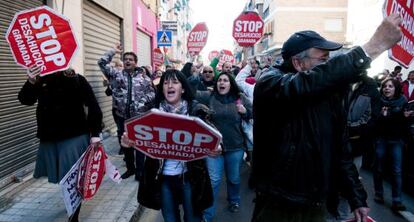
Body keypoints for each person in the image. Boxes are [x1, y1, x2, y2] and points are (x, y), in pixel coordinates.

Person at [251, 14, 402, 222]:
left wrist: (356, 197)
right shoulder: (270, 84)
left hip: (318, 202)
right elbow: (307, 84)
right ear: (297, 63)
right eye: (323, 61)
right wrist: (371, 48)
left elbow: (340, 150)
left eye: (328, 61)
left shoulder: (329, 95)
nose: (327, 65)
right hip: (279, 201)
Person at [18, 66, 103, 222]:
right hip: (49, 137)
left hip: (74, 136)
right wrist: (30, 81)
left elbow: (93, 105)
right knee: (63, 178)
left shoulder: (76, 78)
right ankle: (71, 204)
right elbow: (25, 100)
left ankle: (74, 216)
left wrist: (96, 134)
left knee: (72, 178)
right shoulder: (41, 79)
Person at [129, 69, 215, 222]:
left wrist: (217, 148)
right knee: (170, 219)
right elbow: (138, 139)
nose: (170, 85)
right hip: (163, 179)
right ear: (162, 88)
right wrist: (129, 142)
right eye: (166, 82)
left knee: (192, 218)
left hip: (190, 178)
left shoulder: (196, 111)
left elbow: (215, 137)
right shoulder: (152, 114)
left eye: (175, 82)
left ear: (182, 89)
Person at [196, 72, 252, 221]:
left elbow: (252, 113)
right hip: (214, 148)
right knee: (213, 180)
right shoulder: (209, 97)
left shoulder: (239, 98)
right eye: (219, 80)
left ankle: (234, 200)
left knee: (233, 178)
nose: (222, 82)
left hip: (235, 147)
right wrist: (196, 73)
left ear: (230, 83)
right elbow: (191, 92)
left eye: (225, 80)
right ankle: (207, 215)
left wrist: (245, 111)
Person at [98, 44, 155, 180]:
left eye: (131, 59)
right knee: (125, 143)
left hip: (138, 116)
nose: (128, 61)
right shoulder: (116, 74)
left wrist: (141, 102)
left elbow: (152, 93)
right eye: (126, 59)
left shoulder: (144, 78)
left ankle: (140, 171)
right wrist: (113, 51)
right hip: (121, 115)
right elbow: (101, 62)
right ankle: (131, 168)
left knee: (140, 143)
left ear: (136, 62)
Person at [373, 78, 411, 213]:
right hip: (382, 140)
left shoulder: (403, 102)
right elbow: (375, 122)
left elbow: (404, 124)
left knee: (397, 171)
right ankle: (379, 193)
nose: (387, 88)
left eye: (390, 86)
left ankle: (397, 200)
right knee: (378, 167)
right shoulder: (379, 101)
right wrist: (382, 117)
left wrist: (406, 117)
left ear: (396, 88)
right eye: (385, 86)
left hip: (396, 140)